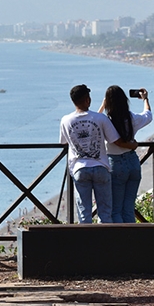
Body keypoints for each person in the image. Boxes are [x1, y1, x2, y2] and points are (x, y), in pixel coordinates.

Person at [59, 85, 136, 224]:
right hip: (101, 167)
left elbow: (63, 142)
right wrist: (132, 145)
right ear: (88, 99)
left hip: (79, 168)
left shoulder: (65, 120)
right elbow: (116, 141)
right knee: (105, 213)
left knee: (84, 213)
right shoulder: (100, 118)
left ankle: (87, 243)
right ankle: (104, 243)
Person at [98, 86, 153, 223]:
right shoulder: (132, 117)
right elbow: (148, 115)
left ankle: (120, 241)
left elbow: (94, 121)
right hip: (133, 162)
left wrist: (102, 105)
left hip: (115, 164)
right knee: (128, 208)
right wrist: (145, 99)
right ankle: (131, 240)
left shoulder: (105, 120)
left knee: (116, 209)